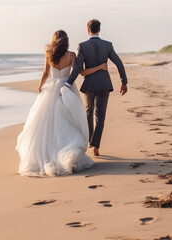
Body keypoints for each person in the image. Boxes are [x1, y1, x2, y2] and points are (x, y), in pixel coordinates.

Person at [16, 30, 106, 176]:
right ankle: (65, 149)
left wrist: (40, 86)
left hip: (50, 89)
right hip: (66, 88)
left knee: (46, 122)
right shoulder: (71, 55)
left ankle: (48, 153)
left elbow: (45, 73)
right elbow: (77, 72)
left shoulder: (48, 54)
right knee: (67, 120)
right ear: (66, 40)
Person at [65, 19, 128, 156]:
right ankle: (96, 145)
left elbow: (77, 68)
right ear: (99, 30)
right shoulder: (108, 45)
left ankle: (90, 141)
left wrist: (68, 83)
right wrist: (124, 81)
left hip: (89, 85)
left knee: (88, 113)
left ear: (88, 30)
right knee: (100, 116)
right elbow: (119, 63)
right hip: (104, 85)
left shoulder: (83, 46)